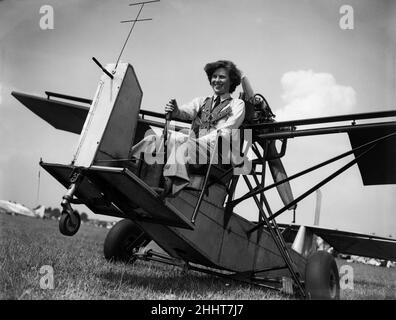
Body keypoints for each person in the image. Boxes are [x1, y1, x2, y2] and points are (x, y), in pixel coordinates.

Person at [130, 60, 245, 196]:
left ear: (231, 81)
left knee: (183, 144)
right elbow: (186, 112)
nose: (217, 80)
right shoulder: (201, 101)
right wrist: (175, 111)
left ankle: (171, 186)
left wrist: (195, 141)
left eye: (222, 77)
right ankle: (127, 165)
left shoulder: (237, 104)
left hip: (215, 151)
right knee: (153, 139)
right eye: (214, 76)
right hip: (194, 144)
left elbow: (225, 132)